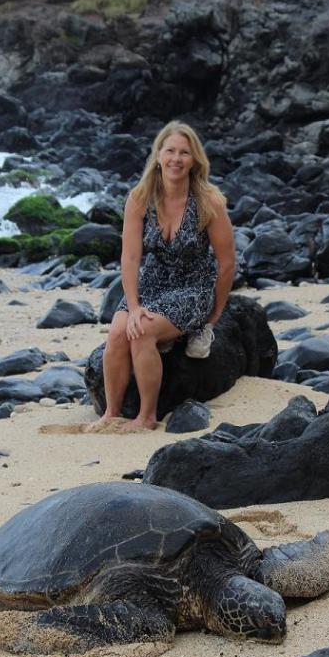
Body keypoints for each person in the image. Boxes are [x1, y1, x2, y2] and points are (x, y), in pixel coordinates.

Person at [93, 120, 236, 431]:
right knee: (118, 331)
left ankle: (146, 417)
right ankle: (111, 413)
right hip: (151, 285)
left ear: (195, 159)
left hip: (192, 287)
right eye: (170, 151)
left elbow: (227, 264)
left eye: (184, 153)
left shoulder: (208, 202)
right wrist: (132, 306)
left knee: (142, 332)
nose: (176, 159)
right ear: (158, 156)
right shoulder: (141, 197)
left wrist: (211, 319)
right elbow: (130, 258)